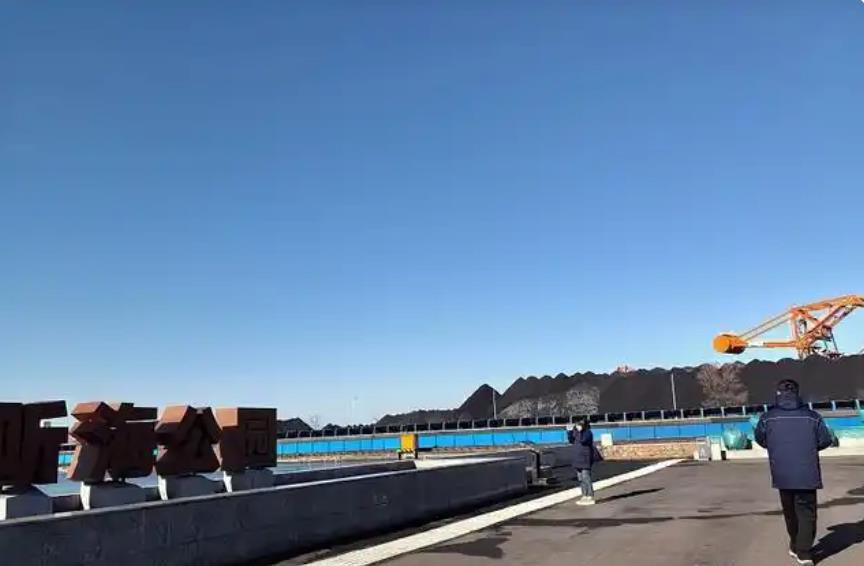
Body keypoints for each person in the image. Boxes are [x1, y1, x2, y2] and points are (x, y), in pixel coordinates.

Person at [754, 379, 833, 566]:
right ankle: (804, 553)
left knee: (790, 512)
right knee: (807, 513)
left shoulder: (767, 417)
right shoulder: (813, 417)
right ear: (798, 393)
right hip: (807, 472)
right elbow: (825, 440)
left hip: (782, 473)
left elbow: (760, 438)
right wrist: (809, 447)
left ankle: (795, 544)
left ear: (778, 393)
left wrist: (776, 446)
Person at [569, 418, 597, 506]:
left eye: (579, 425)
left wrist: (581, 432)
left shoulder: (588, 433)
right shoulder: (576, 432)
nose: (577, 426)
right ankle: (584, 495)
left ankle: (590, 495)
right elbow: (571, 440)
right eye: (576, 425)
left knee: (586, 477)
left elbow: (583, 440)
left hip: (585, 458)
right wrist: (569, 432)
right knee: (580, 478)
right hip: (577, 458)